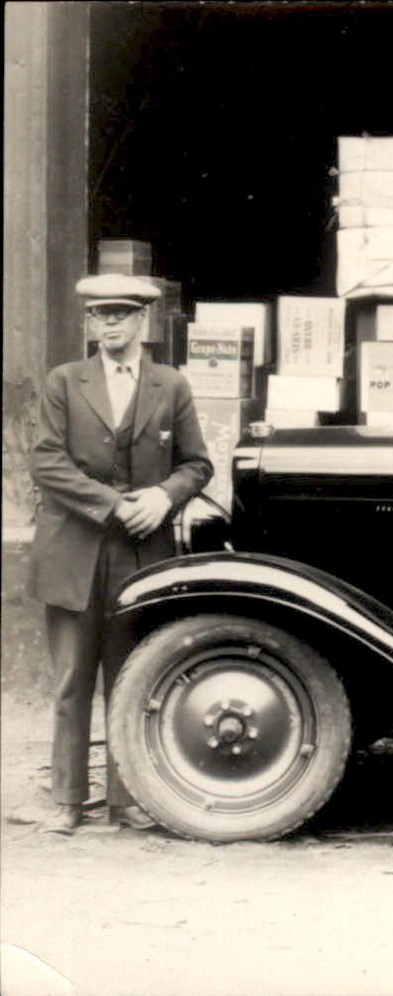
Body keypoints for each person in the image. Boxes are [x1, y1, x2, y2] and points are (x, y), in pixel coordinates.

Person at [29, 273, 213, 834]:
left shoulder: (170, 385)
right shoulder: (64, 382)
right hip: (73, 551)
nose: (107, 324)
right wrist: (114, 505)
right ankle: (67, 799)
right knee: (71, 680)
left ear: (142, 322)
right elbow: (46, 462)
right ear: (90, 324)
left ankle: (126, 797)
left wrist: (164, 496)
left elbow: (197, 463)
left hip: (142, 556)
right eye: (99, 315)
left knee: (133, 676)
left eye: (119, 315)